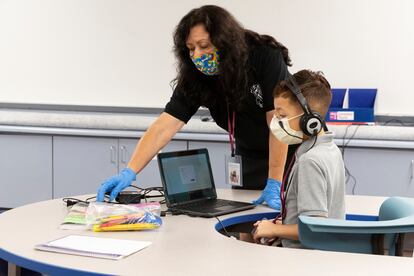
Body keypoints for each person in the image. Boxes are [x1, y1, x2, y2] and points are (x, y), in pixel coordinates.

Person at [97, 5, 297, 209]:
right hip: (248, 155)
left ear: (225, 42)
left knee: (282, 224)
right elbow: (164, 126)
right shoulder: (195, 77)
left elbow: (278, 123)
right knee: (245, 224)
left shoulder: (264, 55)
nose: (198, 55)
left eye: (204, 45)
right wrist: (129, 171)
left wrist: (275, 182)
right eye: (191, 48)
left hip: (290, 152)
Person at [251, 70, 345, 248]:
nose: (276, 122)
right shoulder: (330, 149)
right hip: (322, 254)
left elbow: (314, 228)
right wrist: (283, 226)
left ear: (310, 120)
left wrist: (273, 230)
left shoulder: (310, 161)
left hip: (302, 260)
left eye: (283, 115)